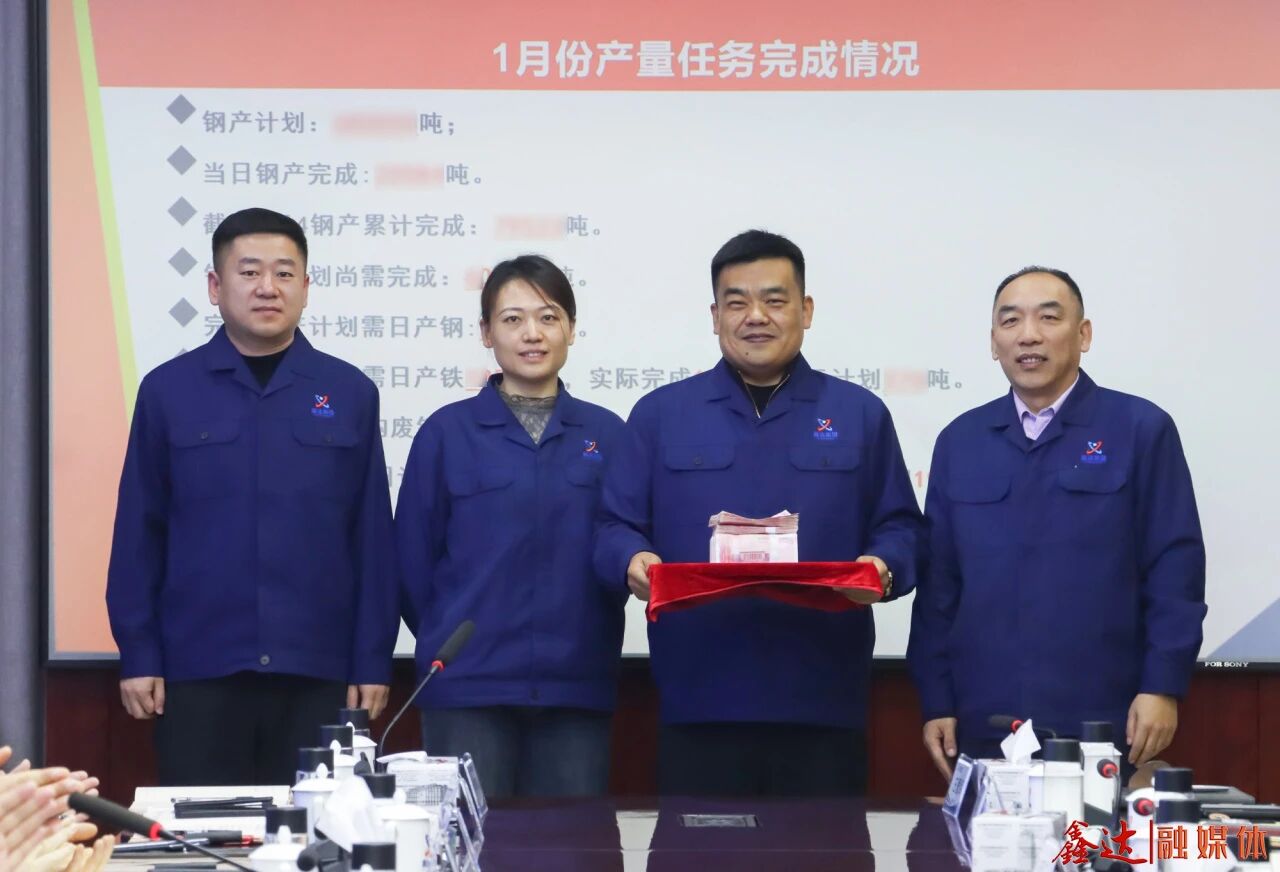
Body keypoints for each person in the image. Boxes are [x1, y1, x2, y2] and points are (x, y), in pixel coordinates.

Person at [593, 230, 922, 796]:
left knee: (824, 845)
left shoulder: (860, 413)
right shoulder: (660, 414)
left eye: (774, 300)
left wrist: (883, 567)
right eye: (737, 302)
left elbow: (902, 528)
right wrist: (631, 559)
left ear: (806, 310)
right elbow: (612, 526)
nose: (756, 317)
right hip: (699, 695)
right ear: (715, 315)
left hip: (824, 697)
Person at [106, 208, 398, 786]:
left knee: (320, 829)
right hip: (199, 670)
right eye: (249, 272)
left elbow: (371, 540)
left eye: (285, 273)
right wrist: (138, 652)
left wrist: (372, 658)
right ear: (215, 286)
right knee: (204, 831)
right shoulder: (168, 391)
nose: (268, 287)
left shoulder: (349, 392)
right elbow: (140, 531)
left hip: (318, 670)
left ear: (306, 287)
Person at [908, 266, 1206, 780]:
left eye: (1049, 318)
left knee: (1095, 835)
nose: (1028, 335)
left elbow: (1174, 567)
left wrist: (1162, 684)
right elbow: (939, 586)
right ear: (993, 342)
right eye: (1011, 321)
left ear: (1083, 334)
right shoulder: (961, 440)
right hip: (986, 719)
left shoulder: (1140, 429)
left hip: (1106, 718)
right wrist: (937, 699)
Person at [396, 255, 627, 797]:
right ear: (486, 333)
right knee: (472, 840)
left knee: (572, 842)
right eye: (513, 319)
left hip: (575, 689)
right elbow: (411, 565)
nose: (532, 334)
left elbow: (621, 547)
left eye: (548, 318)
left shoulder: (608, 434)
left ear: (571, 328)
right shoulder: (446, 433)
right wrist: (456, 635)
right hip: (468, 689)